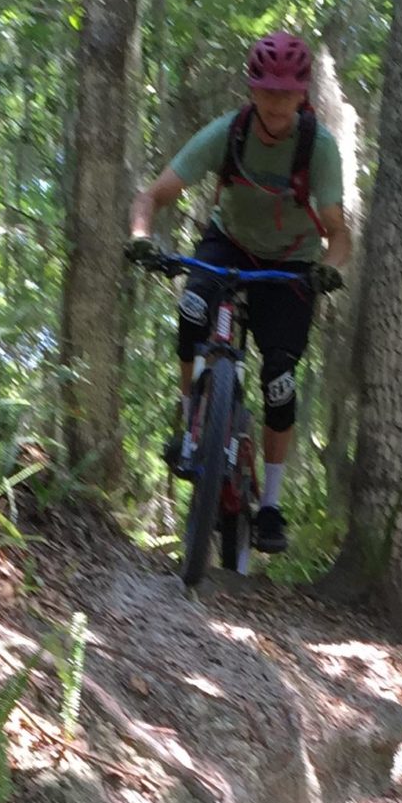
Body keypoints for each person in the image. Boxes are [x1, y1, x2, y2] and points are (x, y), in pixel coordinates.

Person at [125, 30, 351, 554]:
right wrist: (140, 238)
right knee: (193, 307)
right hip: (227, 244)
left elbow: (339, 233)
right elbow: (152, 196)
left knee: (279, 379)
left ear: (303, 95)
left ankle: (269, 504)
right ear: (252, 89)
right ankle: (189, 422)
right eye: (266, 90)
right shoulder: (228, 133)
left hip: (291, 263)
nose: (275, 102)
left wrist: (330, 269)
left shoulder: (318, 148)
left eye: (286, 92)